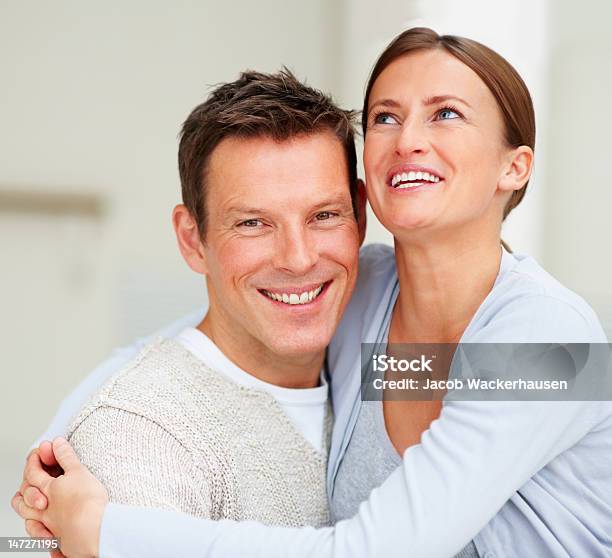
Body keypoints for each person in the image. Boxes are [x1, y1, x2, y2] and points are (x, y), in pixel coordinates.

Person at [14, 28, 611, 558]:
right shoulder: (366, 291)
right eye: (385, 116)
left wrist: (106, 531)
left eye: (446, 113)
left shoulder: (550, 345)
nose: (408, 140)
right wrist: (73, 429)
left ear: (516, 166)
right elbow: (206, 337)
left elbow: (377, 550)